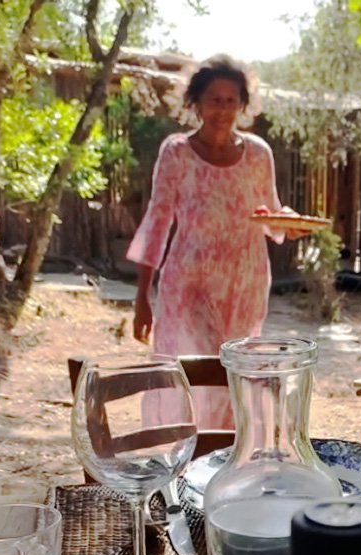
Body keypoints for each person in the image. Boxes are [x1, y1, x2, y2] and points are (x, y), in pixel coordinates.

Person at [126, 54, 298, 429]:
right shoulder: (176, 152)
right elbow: (157, 221)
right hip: (190, 284)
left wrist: (290, 224)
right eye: (214, 100)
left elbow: (270, 215)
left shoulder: (257, 154)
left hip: (244, 285)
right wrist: (142, 296)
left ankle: (224, 465)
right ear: (197, 102)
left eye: (230, 100)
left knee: (233, 375)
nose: (222, 109)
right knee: (210, 370)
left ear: (242, 104)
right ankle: (191, 456)